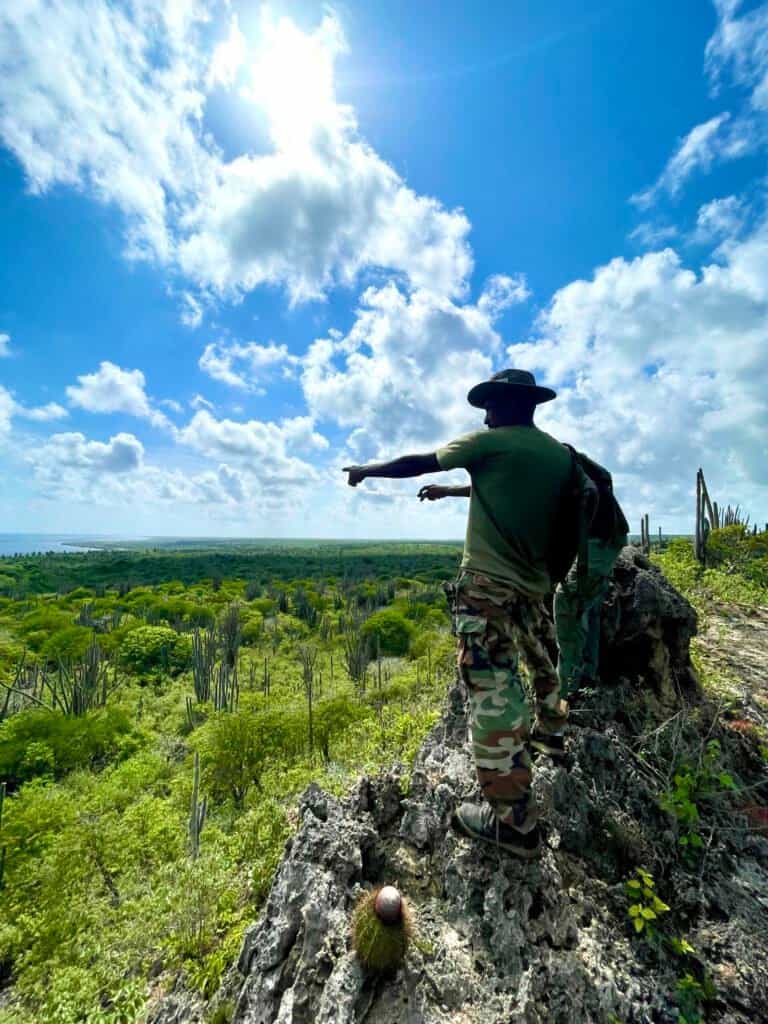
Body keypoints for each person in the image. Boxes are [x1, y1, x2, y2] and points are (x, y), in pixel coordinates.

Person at [343, 368, 571, 858]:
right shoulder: (556, 456)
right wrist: (452, 495)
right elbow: (500, 492)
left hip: (488, 587)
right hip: (533, 587)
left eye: (489, 403)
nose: (484, 414)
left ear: (508, 405)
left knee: (493, 687)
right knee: (542, 657)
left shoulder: (489, 443)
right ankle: (554, 734)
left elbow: (421, 462)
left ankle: (512, 820)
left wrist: (369, 470)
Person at [420, 460, 629, 758]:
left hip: (594, 547)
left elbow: (502, 494)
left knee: (567, 609)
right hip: (608, 541)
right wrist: (447, 491)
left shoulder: (547, 472)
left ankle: (566, 698)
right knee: (588, 607)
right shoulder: (566, 465)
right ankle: (588, 677)